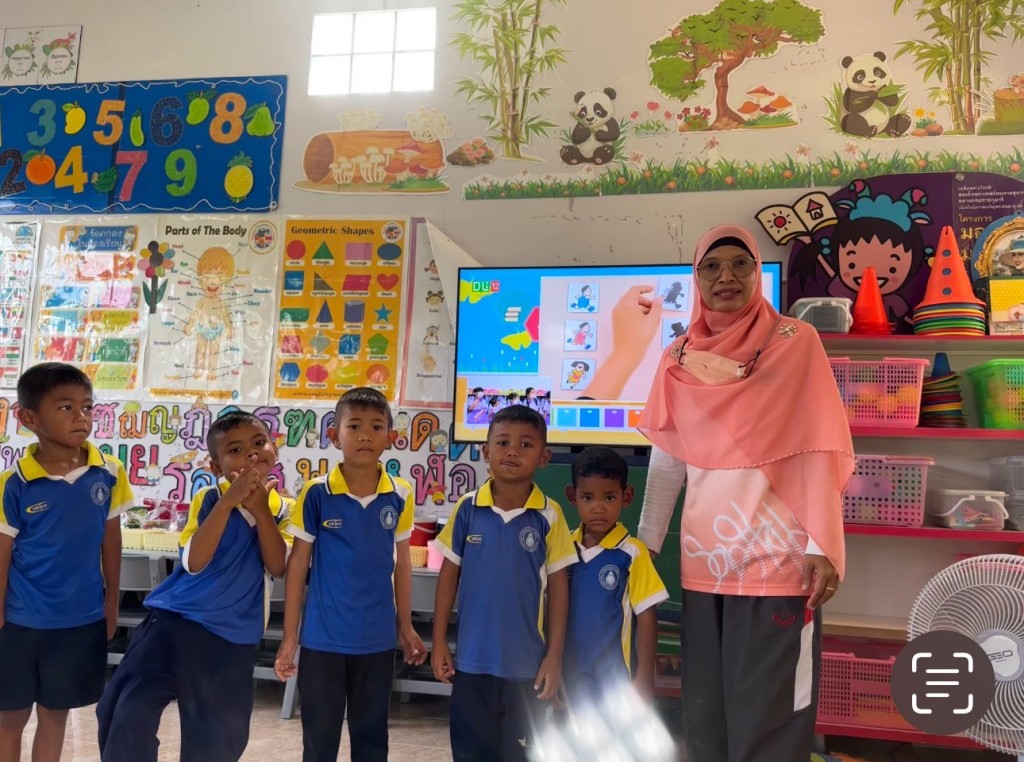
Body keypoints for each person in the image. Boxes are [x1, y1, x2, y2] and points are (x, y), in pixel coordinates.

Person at [636, 225, 854, 762]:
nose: (726, 276)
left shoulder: (795, 342)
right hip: (705, 561)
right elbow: (669, 455)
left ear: (758, 272)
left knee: (770, 715)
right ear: (696, 279)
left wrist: (822, 544)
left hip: (778, 562)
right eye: (711, 267)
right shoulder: (678, 356)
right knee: (706, 714)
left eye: (740, 264)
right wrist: (645, 542)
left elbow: (819, 446)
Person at [97, 411, 290, 762]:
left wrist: (262, 512)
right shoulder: (209, 499)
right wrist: (229, 502)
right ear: (216, 467)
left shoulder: (285, 509)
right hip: (170, 626)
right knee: (125, 713)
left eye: (259, 443)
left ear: (274, 449)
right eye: (235, 450)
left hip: (229, 638)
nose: (251, 454)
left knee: (217, 739)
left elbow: (278, 566)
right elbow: (194, 562)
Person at [275, 387, 425, 762]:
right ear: (334, 435)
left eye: (376, 427)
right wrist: (290, 635)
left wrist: (406, 625)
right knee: (319, 738)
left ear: (390, 437)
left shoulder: (400, 494)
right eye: (354, 426)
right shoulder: (316, 493)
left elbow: (402, 563)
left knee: (371, 737)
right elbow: (298, 564)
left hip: (376, 639)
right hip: (322, 640)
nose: (365, 436)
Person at [0, 362, 131, 762]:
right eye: (65, 407)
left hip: (78, 619)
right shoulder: (14, 483)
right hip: (20, 622)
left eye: (87, 407)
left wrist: (111, 603)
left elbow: (111, 541)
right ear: (29, 419)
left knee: (55, 714)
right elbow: (2, 556)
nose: (81, 417)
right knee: (10, 718)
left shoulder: (108, 471)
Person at [431, 405, 576, 761]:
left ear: (544, 457)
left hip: (526, 667)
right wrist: (439, 641)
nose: (512, 451)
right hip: (470, 663)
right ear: (485, 451)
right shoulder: (467, 509)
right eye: (503, 442)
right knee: (470, 752)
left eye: (525, 445)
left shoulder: (549, 515)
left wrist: (554, 657)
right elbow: (448, 576)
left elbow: (559, 589)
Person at [563, 447, 668, 700]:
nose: (598, 508)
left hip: (616, 679)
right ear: (572, 497)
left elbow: (646, 616)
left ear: (626, 496)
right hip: (569, 674)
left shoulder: (632, 553)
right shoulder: (564, 549)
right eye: (587, 498)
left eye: (609, 498)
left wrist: (644, 678)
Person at [184, 246, 235, 381]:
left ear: (226, 280)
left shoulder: (221, 303)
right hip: (202, 330)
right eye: (207, 276)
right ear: (200, 279)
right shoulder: (202, 301)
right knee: (200, 350)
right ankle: (199, 368)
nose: (213, 281)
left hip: (216, 331)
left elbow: (226, 317)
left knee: (214, 352)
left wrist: (229, 328)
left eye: (219, 276)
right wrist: (189, 325)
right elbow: (195, 314)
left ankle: (212, 371)